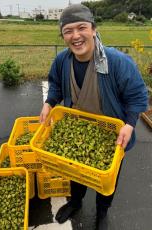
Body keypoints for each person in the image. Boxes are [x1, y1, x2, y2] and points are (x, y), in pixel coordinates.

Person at [39, 3, 148, 227]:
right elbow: (56, 85)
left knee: (106, 180)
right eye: (68, 31)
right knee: (75, 173)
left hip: (111, 136)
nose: (75, 36)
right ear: (62, 36)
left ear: (94, 29)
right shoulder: (62, 60)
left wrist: (129, 124)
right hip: (76, 131)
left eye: (81, 28)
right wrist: (49, 102)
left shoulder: (117, 62)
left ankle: (102, 212)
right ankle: (76, 203)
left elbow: (138, 97)